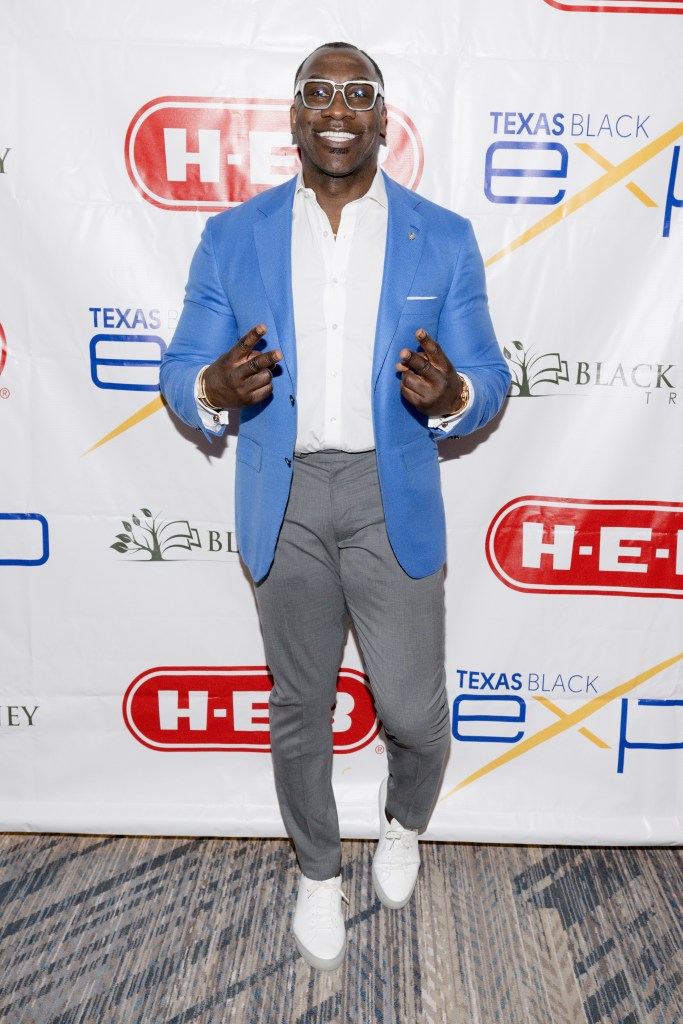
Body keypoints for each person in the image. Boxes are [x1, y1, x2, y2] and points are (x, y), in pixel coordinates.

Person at [160, 41, 511, 971]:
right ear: (292, 117)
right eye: (318, 91)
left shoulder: (441, 236)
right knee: (299, 705)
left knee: (411, 710)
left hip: (389, 488)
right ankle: (317, 871)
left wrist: (451, 400)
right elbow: (178, 365)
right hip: (285, 493)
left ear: (384, 118)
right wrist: (213, 385)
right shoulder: (233, 237)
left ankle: (403, 821)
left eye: (359, 93)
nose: (338, 108)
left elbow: (488, 375)